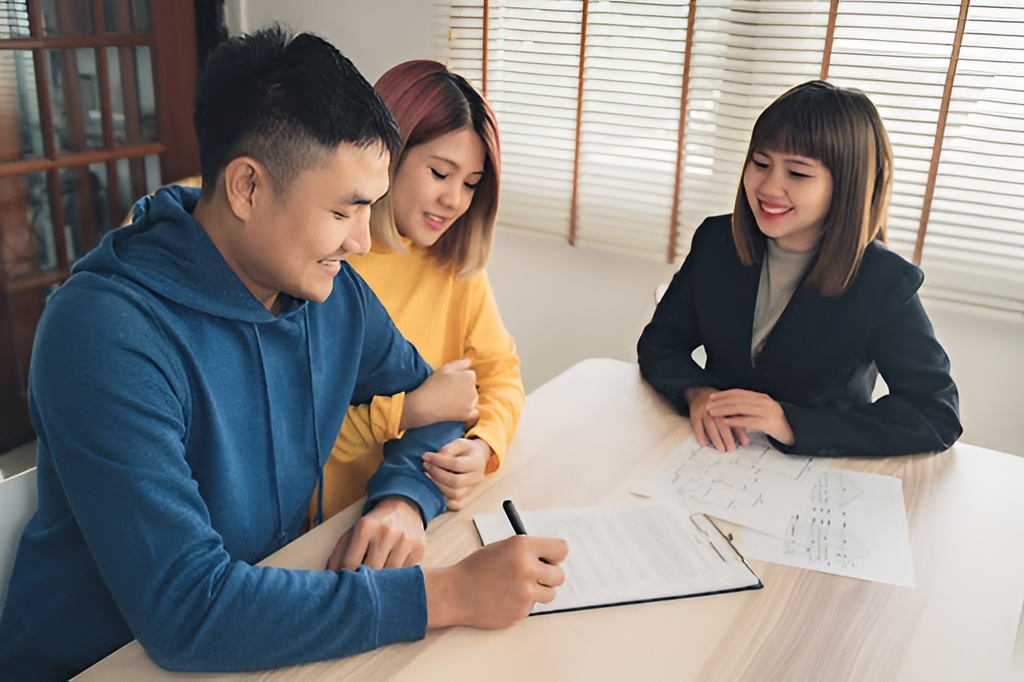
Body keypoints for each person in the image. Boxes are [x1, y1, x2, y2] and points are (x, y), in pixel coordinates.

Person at [0, 26, 566, 680]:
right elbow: (190, 612)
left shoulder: (332, 296)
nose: (362, 242)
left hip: (256, 628)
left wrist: (403, 498)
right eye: (346, 210)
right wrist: (449, 593)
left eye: (371, 209)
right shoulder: (103, 333)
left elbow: (435, 406)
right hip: (101, 662)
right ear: (246, 188)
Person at [637, 80, 962, 457]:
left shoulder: (884, 282)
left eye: (798, 174)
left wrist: (791, 423)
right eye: (760, 163)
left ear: (845, 186)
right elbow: (660, 344)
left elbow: (936, 414)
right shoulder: (716, 243)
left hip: (823, 472)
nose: (769, 187)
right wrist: (696, 392)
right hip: (714, 459)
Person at [316, 60, 524, 525]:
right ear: (386, 152)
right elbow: (300, 435)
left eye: (470, 184)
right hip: (322, 524)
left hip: (417, 510)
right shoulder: (324, 261)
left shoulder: (455, 267)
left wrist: (483, 444)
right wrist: (409, 410)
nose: (455, 200)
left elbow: (500, 375)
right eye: (439, 173)